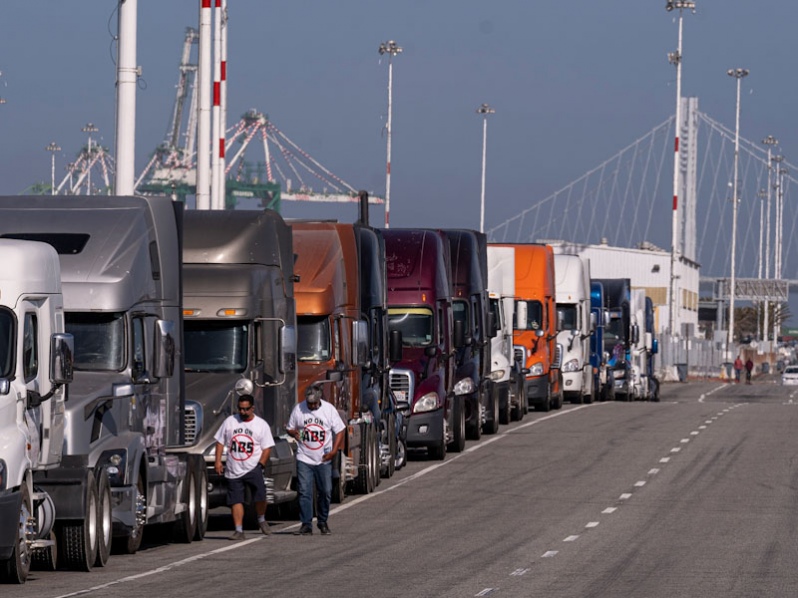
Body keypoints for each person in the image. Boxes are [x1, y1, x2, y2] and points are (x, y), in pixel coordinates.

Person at [287, 385, 346, 536]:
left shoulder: (328, 410)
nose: (312, 406)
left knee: (325, 491)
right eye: (309, 403)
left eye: (314, 403)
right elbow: (290, 428)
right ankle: (306, 524)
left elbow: (340, 430)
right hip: (304, 457)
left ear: (319, 400)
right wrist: (293, 433)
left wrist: (334, 451)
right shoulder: (299, 409)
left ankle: (322, 521)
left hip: (323, 458)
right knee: (305, 491)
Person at [214, 394, 275, 540]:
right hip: (234, 468)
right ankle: (239, 530)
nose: (243, 412)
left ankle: (261, 518)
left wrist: (261, 464)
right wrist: (218, 461)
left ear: (252, 408)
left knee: (260, 496)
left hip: (253, 467)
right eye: (240, 409)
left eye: (246, 409)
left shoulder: (261, 425)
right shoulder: (230, 422)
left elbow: (267, 448)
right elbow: (220, 442)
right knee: (236, 500)